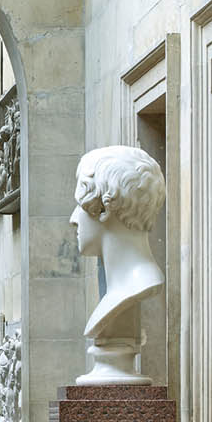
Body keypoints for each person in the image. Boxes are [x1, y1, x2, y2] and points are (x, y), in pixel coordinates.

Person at [70, 145, 166, 383]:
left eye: (80, 205)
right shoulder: (127, 289)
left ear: (103, 208)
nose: (73, 219)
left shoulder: (139, 286)